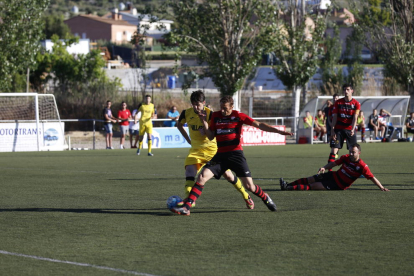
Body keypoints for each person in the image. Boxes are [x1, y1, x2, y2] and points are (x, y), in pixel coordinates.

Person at [170, 95, 294, 216]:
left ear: (232, 106)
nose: (223, 111)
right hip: (220, 155)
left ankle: (265, 197)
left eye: (226, 108)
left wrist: (279, 132)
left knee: (249, 186)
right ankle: (187, 208)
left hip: (236, 155)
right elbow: (211, 136)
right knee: (202, 177)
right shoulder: (216, 116)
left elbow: (259, 125)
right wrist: (204, 121)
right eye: (221, 108)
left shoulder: (238, 116)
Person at [176, 91, 255, 209]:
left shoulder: (211, 114)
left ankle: (245, 195)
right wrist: (188, 139)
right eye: (193, 104)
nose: (196, 107)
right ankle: (189, 200)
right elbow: (179, 125)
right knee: (189, 173)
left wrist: (207, 130)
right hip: (196, 151)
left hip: (212, 151)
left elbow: (214, 131)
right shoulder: (186, 113)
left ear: (204, 103)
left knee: (229, 176)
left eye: (198, 104)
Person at [280, 143, 389, 192]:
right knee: (310, 179)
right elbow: (334, 164)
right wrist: (324, 167)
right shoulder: (346, 157)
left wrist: (381, 187)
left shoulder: (362, 166)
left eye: (353, 152)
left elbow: (372, 177)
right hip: (333, 175)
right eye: (350, 151)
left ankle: (287, 189)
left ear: (359, 153)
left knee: (313, 185)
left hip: (338, 184)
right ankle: (287, 184)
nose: (351, 154)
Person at [327, 84, 360, 169]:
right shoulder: (338, 102)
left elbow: (355, 118)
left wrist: (353, 129)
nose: (346, 91)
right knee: (334, 149)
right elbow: (335, 117)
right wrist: (332, 130)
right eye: (345, 89)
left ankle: (355, 169)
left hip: (349, 130)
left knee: (354, 150)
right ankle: (329, 170)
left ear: (352, 91)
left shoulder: (356, 103)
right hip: (339, 130)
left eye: (348, 89)